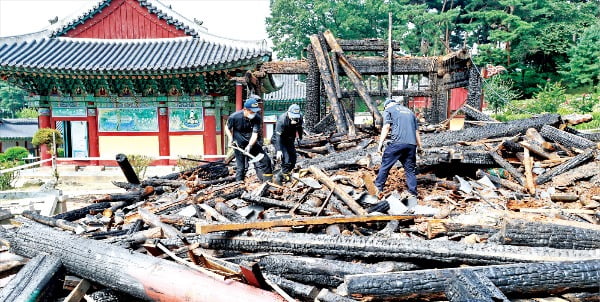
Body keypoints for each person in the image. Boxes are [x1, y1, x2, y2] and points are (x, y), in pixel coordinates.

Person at [375, 99, 422, 198]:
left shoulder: (388, 110)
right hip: (411, 145)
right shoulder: (410, 112)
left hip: (397, 144)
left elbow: (386, 127)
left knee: (385, 166)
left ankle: (377, 189)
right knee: (410, 170)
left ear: (386, 106)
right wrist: (420, 146)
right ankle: (413, 193)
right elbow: (416, 131)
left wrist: (380, 144)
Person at [225, 98, 273, 182]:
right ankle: (239, 186)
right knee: (241, 168)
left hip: (252, 143)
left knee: (266, 161)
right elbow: (227, 128)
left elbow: (255, 134)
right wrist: (230, 139)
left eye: (255, 111)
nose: (253, 113)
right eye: (252, 111)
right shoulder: (234, 117)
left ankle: (267, 182)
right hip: (238, 144)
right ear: (245, 109)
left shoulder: (257, 118)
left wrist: (250, 146)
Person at [271, 104, 303, 183]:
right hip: (279, 140)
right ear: (288, 113)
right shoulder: (282, 120)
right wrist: (279, 150)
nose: (294, 119)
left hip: (290, 138)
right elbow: (278, 136)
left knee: (293, 158)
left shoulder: (300, 117)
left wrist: (300, 137)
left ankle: (286, 173)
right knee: (287, 159)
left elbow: (299, 128)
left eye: (296, 117)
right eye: (293, 117)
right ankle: (280, 176)